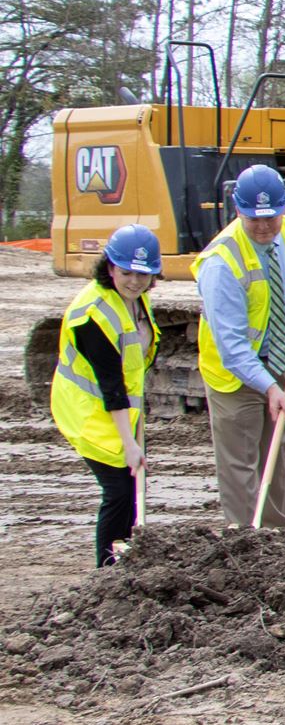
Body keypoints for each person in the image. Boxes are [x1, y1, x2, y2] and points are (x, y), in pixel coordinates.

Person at [197, 165, 285, 531]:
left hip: (282, 361)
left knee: (276, 453)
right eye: (252, 218)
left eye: (270, 217)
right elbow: (232, 346)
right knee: (240, 461)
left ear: (283, 209)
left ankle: (279, 534)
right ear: (237, 210)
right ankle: (245, 539)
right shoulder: (221, 263)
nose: (262, 226)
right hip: (235, 374)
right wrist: (269, 387)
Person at [52, 224, 161, 566]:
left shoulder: (135, 298)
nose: (135, 281)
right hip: (88, 410)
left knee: (129, 489)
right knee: (118, 491)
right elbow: (110, 385)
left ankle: (125, 561)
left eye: (144, 274)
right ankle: (107, 571)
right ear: (110, 267)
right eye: (126, 272)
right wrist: (130, 444)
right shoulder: (92, 316)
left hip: (118, 409)